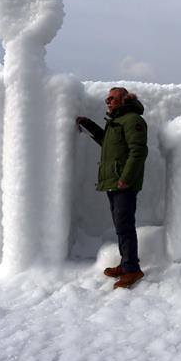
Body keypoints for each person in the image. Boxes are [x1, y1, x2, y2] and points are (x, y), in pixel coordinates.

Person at [76, 87, 148, 289]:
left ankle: (132, 270)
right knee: (121, 226)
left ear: (125, 99)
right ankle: (126, 264)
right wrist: (88, 124)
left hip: (123, 183)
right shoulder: (116, 121)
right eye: (107, 98)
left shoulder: (133, 120)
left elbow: (139, 152)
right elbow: (107, 143)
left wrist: (126, 178)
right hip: (114, 182)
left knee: (125, 226)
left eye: (112, 98)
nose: (108, 101)